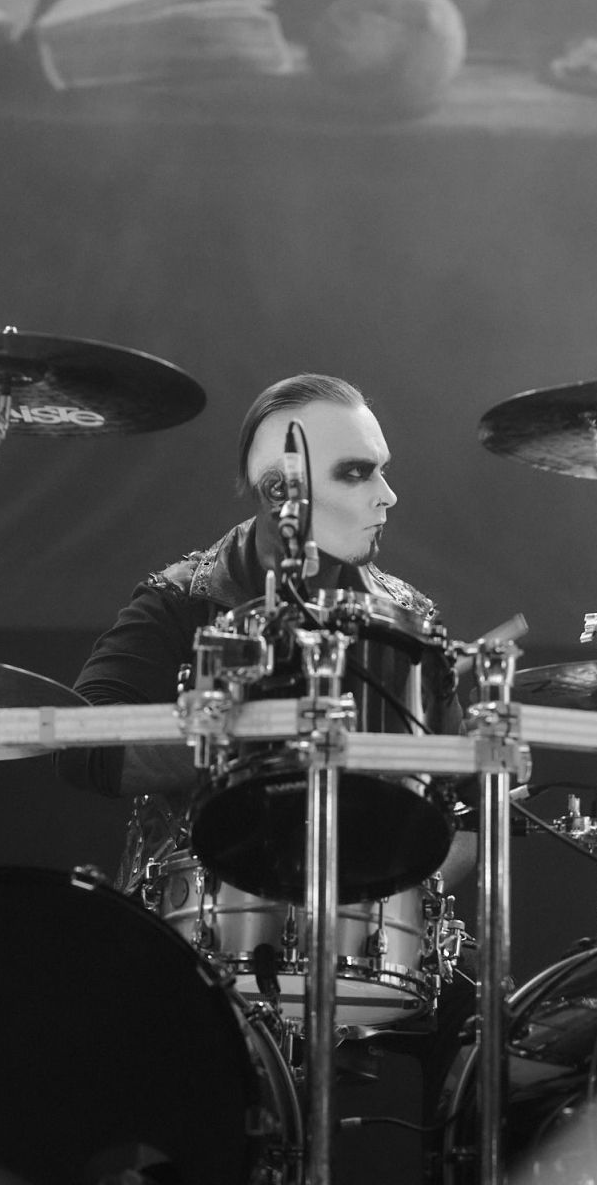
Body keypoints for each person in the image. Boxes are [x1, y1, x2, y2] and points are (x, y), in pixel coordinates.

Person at [60, 371, 475, 889]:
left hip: (365, 919)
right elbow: (81, 747)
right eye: (355, 473)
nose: (387, 495)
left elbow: (467, 812)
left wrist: (394, 900)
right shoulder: (181, 600)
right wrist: (258, 747)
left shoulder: (409, 620)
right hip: (200, 911)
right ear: (279, 491)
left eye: (382, 471)